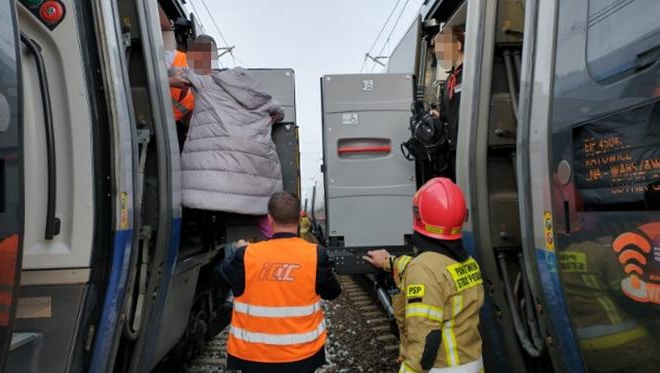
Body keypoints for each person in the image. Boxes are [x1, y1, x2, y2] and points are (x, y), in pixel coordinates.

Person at [364, 178, 485, 373]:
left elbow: (425, 341)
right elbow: (436, 276)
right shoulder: (467, 262)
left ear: (419, 215)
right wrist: (389, 261)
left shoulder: (424, 269)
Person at [216, 192, 341, 373]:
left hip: (252, 357)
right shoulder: (315, 254)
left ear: (269, 219)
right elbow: (332, 292)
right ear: (299, 217)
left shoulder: (246, 255)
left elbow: (218, 275)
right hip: (302, 356)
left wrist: (237, 253)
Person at [171, 35, 286, 215]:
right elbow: (280, 111)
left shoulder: (206, 83)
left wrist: (171, 78)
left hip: (208, 188)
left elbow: (174, 75)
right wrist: (272, 118)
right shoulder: (260, 96)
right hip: (257, 193)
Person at [431, 26, 465, 181]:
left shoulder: (472, 72)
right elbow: (447, 115)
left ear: (458, 45)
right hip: (454, 148)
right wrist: (438, 116)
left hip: (469, 143)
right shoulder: (447, 83)